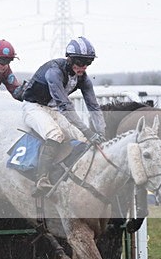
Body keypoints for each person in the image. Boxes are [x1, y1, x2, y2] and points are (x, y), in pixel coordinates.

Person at [22, 36, 106, 197]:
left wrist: (101, 132)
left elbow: (93, 106)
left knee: (84, 140)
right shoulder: (54, 72)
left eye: (88, 63)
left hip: (54, 110)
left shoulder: (83, 79)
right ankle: (41, 179)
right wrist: (89, 131)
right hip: (33, 107)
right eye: (80, 63)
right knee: (55, 134)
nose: (84, 67)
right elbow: (65, 106)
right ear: (70, 59)